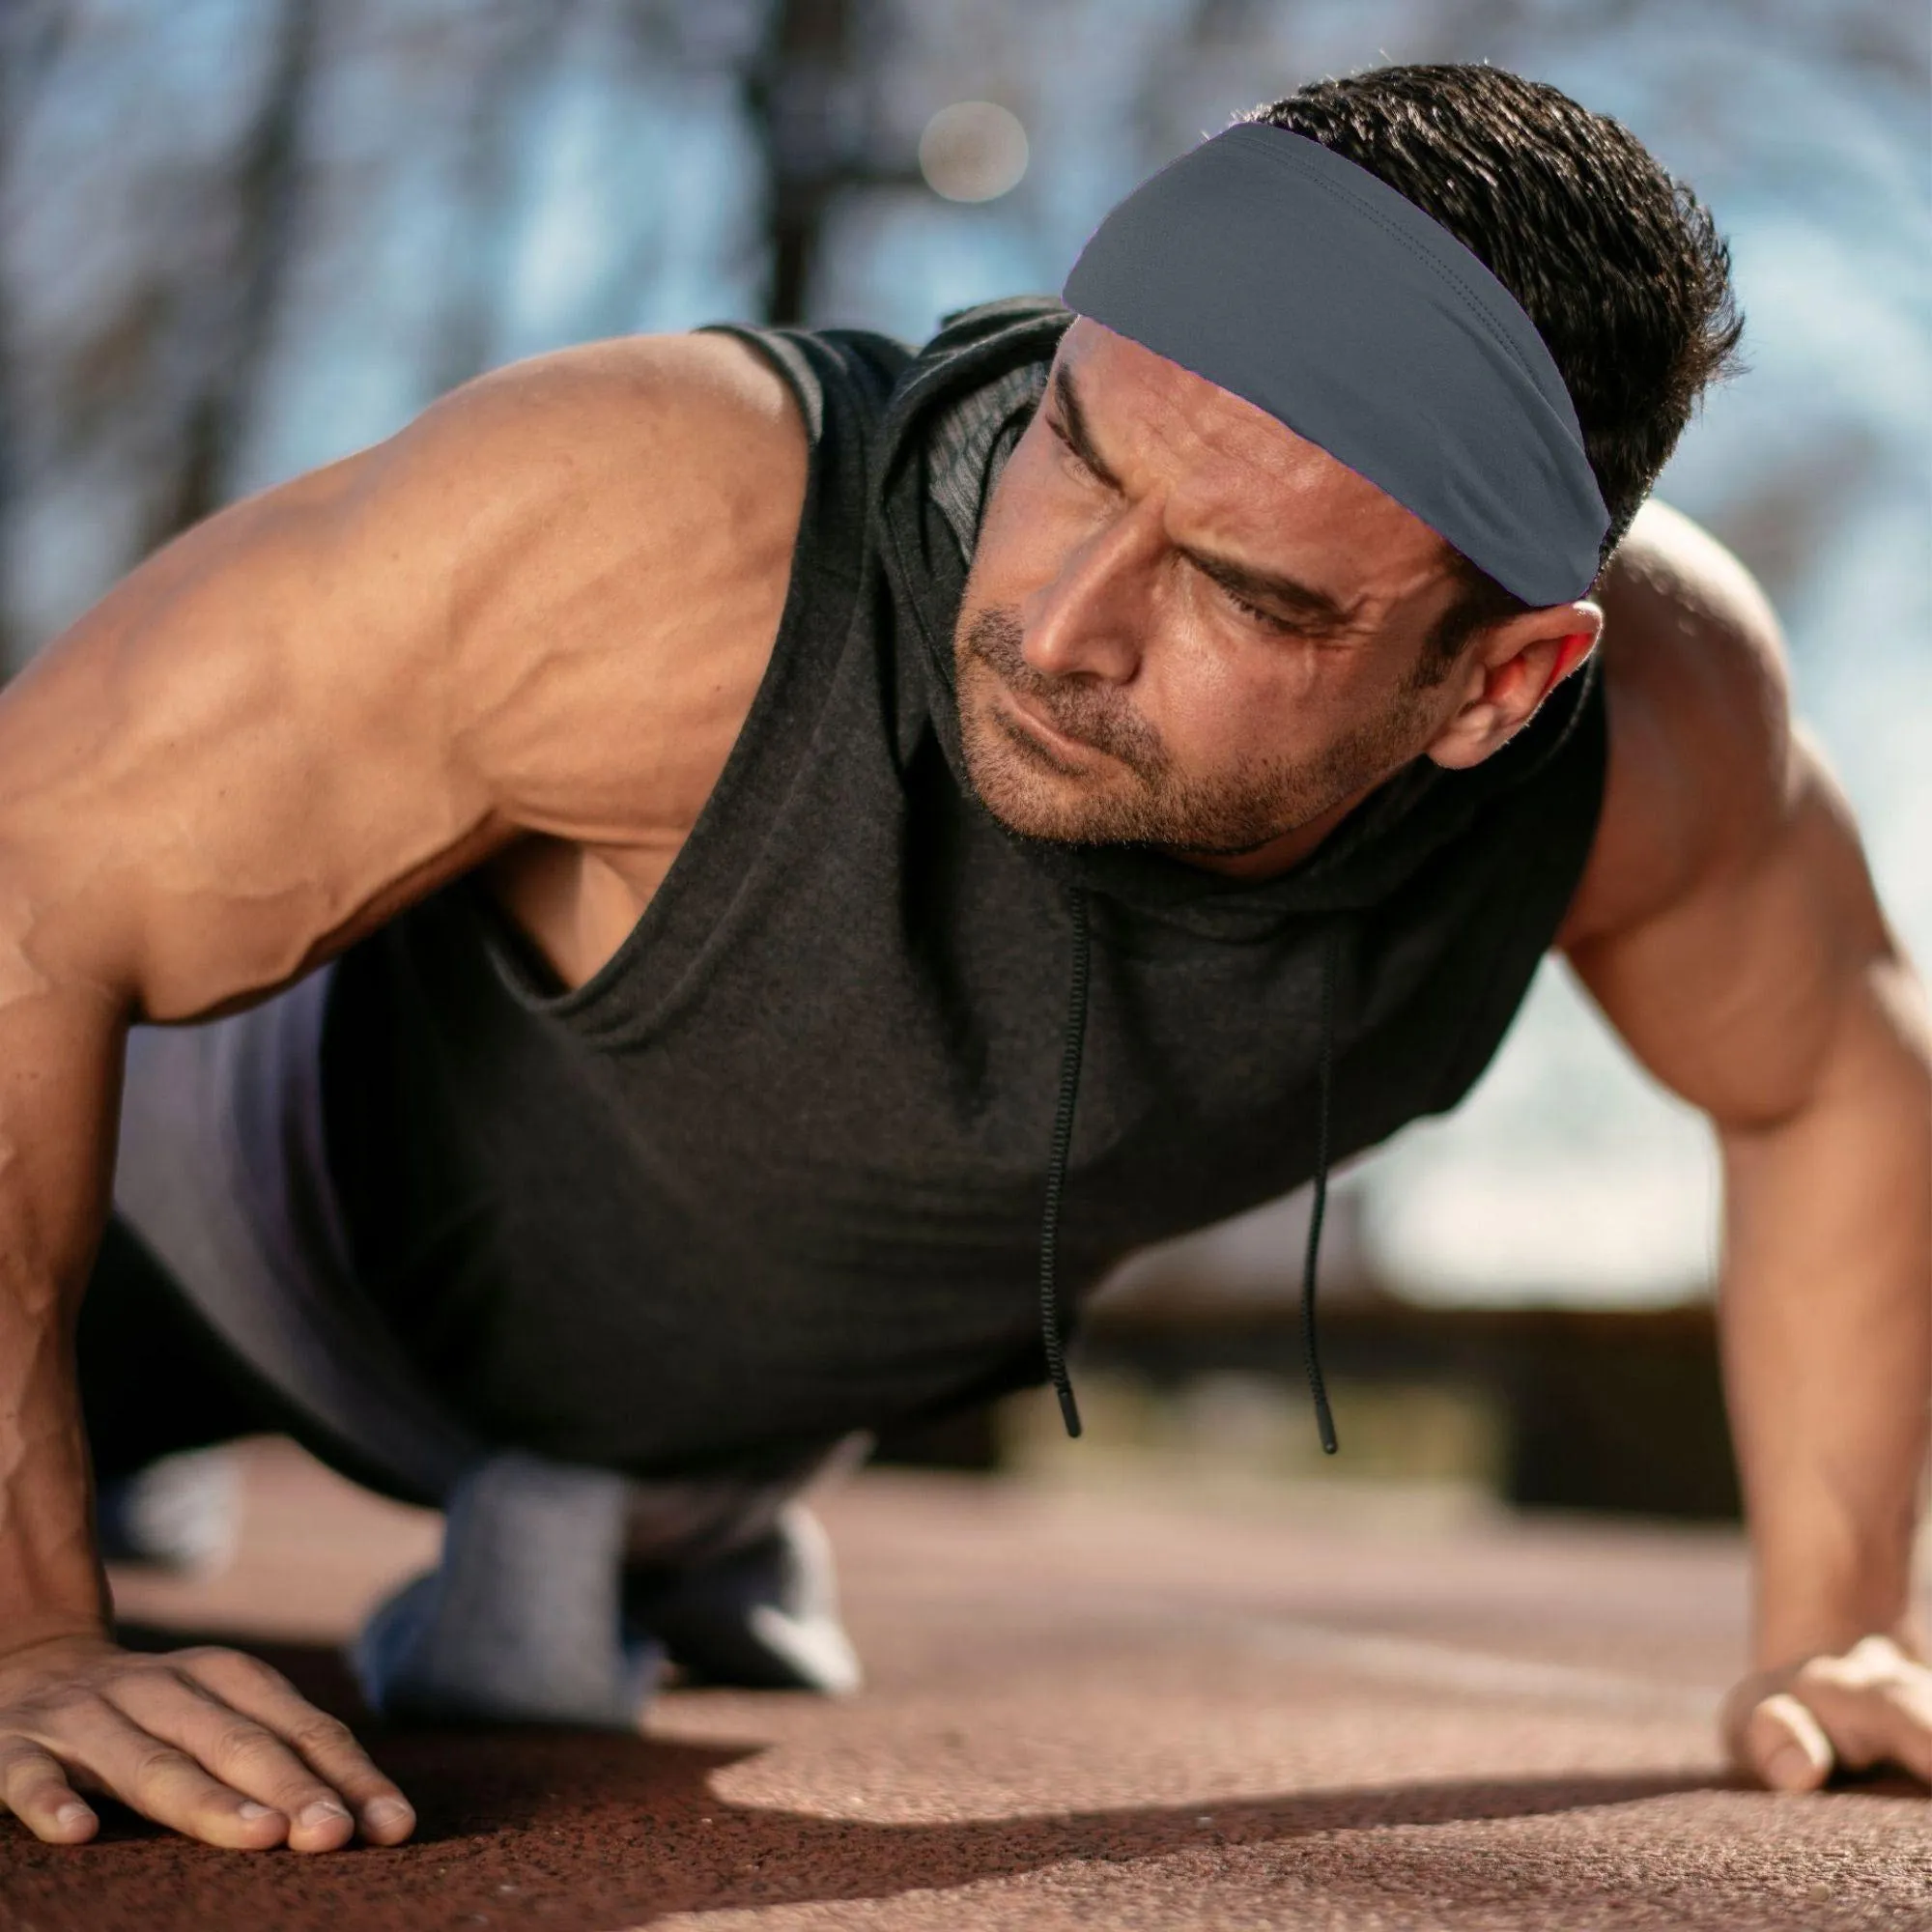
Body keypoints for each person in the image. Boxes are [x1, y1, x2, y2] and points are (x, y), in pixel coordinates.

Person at [1, 62, 1926, 1857]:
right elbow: (33, 868)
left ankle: (641, 1516)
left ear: (1500, 683)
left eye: (1245, 592)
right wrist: (28, 1630)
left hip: (696, 1433)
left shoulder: (1660, 732)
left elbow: (1834, 1069)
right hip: (204, 1239)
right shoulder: (658, 527)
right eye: (1077, 456)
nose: (1062, 620)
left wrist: (1833, 1628)